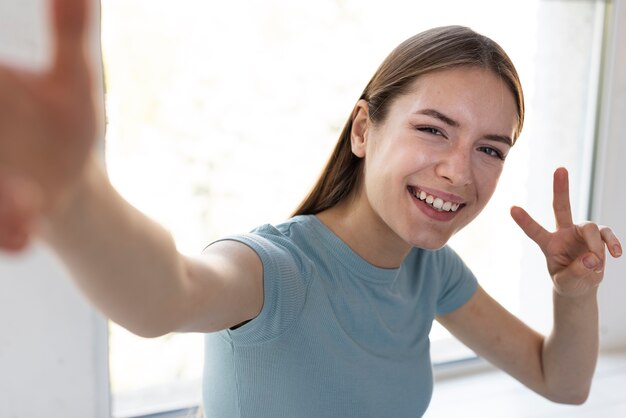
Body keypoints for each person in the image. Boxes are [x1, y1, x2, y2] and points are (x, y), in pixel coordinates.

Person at [1, 0, 622, 417]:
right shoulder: (274, 270)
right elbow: (165, 297)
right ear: (363, 131)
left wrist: (574, 295)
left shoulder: (430, 273)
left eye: (491, 148)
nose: (460, 171)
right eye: (434, 129)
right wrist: (74, 195)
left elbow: (561, 382)